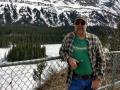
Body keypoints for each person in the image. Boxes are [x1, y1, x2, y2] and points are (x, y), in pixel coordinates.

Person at [59, 14, 106, 90]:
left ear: (86, 24)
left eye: (82, 23)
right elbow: (62, 51)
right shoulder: (68, 37)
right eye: (77, 23)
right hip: (75, 80)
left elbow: (102, 60)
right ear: (74, 24)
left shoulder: (94, 39)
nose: (79, 25)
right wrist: (69, 58)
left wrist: (97, 79)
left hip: (92, 79)